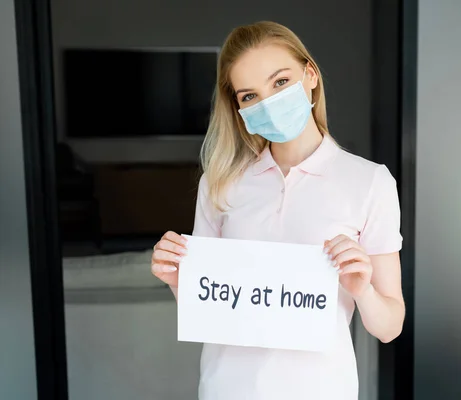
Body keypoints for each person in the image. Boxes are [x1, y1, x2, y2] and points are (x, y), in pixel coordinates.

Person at [151, 21, 405, 400]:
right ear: (238, 107)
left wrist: (362, 289)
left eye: (280, 82)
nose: (268, 102)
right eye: (250, 95)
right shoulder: (221, 182)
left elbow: (390, 327)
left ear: (311, 75)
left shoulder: (370, 181)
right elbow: (209, 310)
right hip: (226, 389)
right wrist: (177, 280)